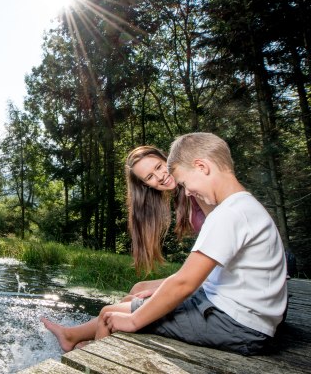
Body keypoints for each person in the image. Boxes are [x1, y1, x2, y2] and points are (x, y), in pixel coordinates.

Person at [102, 132, 288, 355]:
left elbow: (185, 283)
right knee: (128, 302)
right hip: (242, 309)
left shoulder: (227, 213)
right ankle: (81, 341)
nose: (187, 191)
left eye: (185, 183)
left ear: (201, 166)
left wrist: (134, 321)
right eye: (149, 177)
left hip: (239, 322)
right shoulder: (243, 205)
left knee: (109, 315)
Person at [41, 145, 212, 352]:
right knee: (139, 289)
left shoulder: (198, 191)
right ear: (146, 185)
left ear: (166, 159)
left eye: (159, 166)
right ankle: (79, 336)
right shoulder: (184, 196)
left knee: (128, 303)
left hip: (214, 286)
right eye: (149, 177)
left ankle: (81, 339)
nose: (159, 177)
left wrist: (165, 289)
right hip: (209, 278)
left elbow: (217, 261)